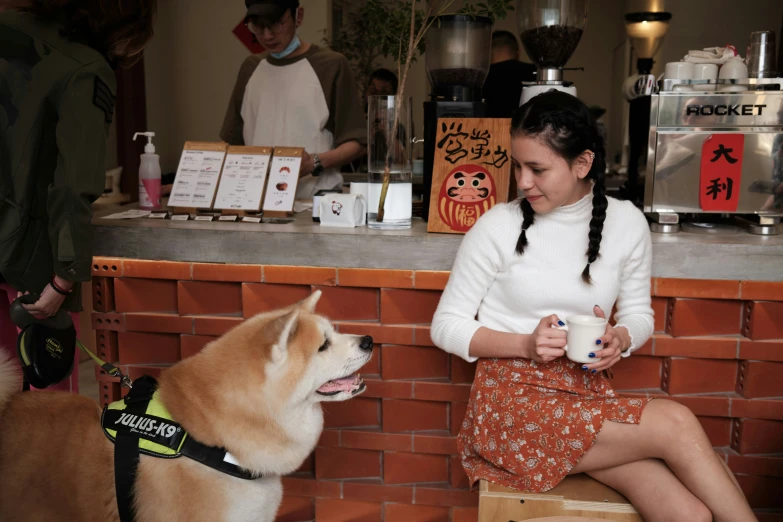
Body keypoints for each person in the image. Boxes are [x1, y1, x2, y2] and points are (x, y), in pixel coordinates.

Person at [431, 91, 756, 522]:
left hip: (586, 399)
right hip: (511, 409)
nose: (523, 181)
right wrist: (526, 345)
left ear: (582, 163)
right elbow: (445, 326)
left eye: (538, 169)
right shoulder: (496, 227)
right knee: (675, 423)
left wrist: (620, 338)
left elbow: (639, 316)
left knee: (688, 513)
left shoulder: (626, 223)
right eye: (518, 166)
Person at [0, 0, 157, 392]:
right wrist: (64, 279)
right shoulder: (85, 68)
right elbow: (73, 184)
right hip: (24, 259)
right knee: (45, 409)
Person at [221, 0, 366, 198]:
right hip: (257, 202)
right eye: (258, 26)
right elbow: (232, 143)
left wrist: (314, 162)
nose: (267, 35)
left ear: (299, 16)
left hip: (316, 202)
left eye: (276, 23)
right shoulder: (251, 67)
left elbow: (357, 143)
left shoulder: (331, 66)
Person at [482, 30, 536, 118]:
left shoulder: (481, 78)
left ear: (487, 54)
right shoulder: (536, 73)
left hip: (489, 130)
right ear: (518, 52)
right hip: (528, 129)